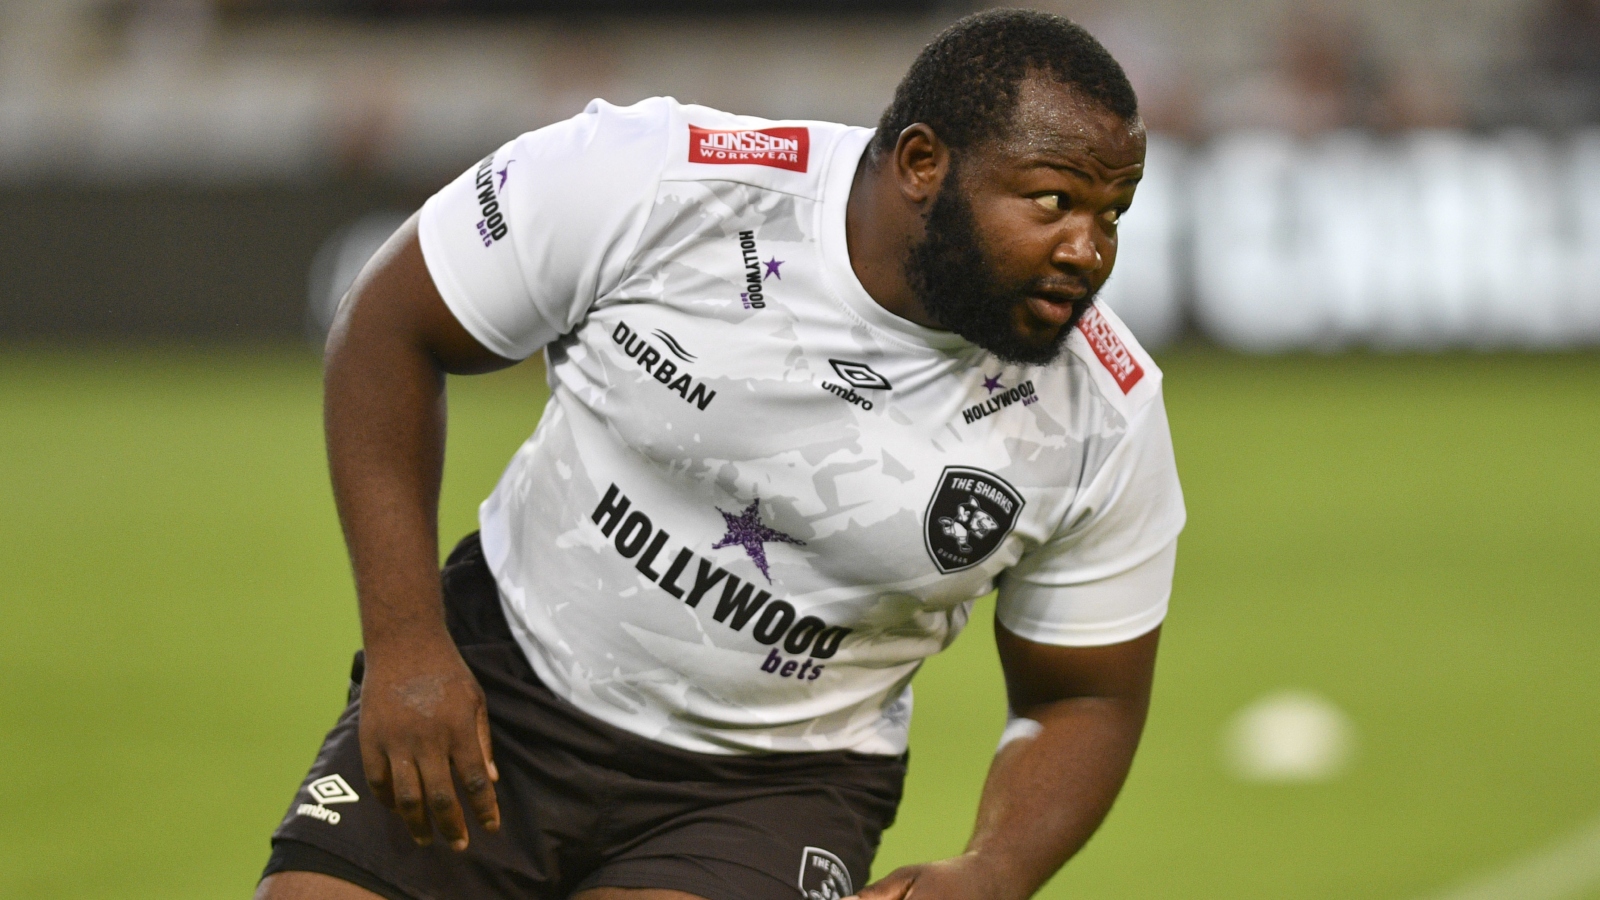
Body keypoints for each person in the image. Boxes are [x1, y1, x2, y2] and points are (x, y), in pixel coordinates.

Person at [257, 9, 1185, 900]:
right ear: (922, 163)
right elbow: (389, 328)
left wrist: (997, 867)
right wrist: (408, 646)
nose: (1088, 250)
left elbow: (1084, 700)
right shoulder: (659, 182)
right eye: (1055, 200)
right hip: (507, 678)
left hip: (773, 788)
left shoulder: (1104, 414)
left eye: (1113, 214)